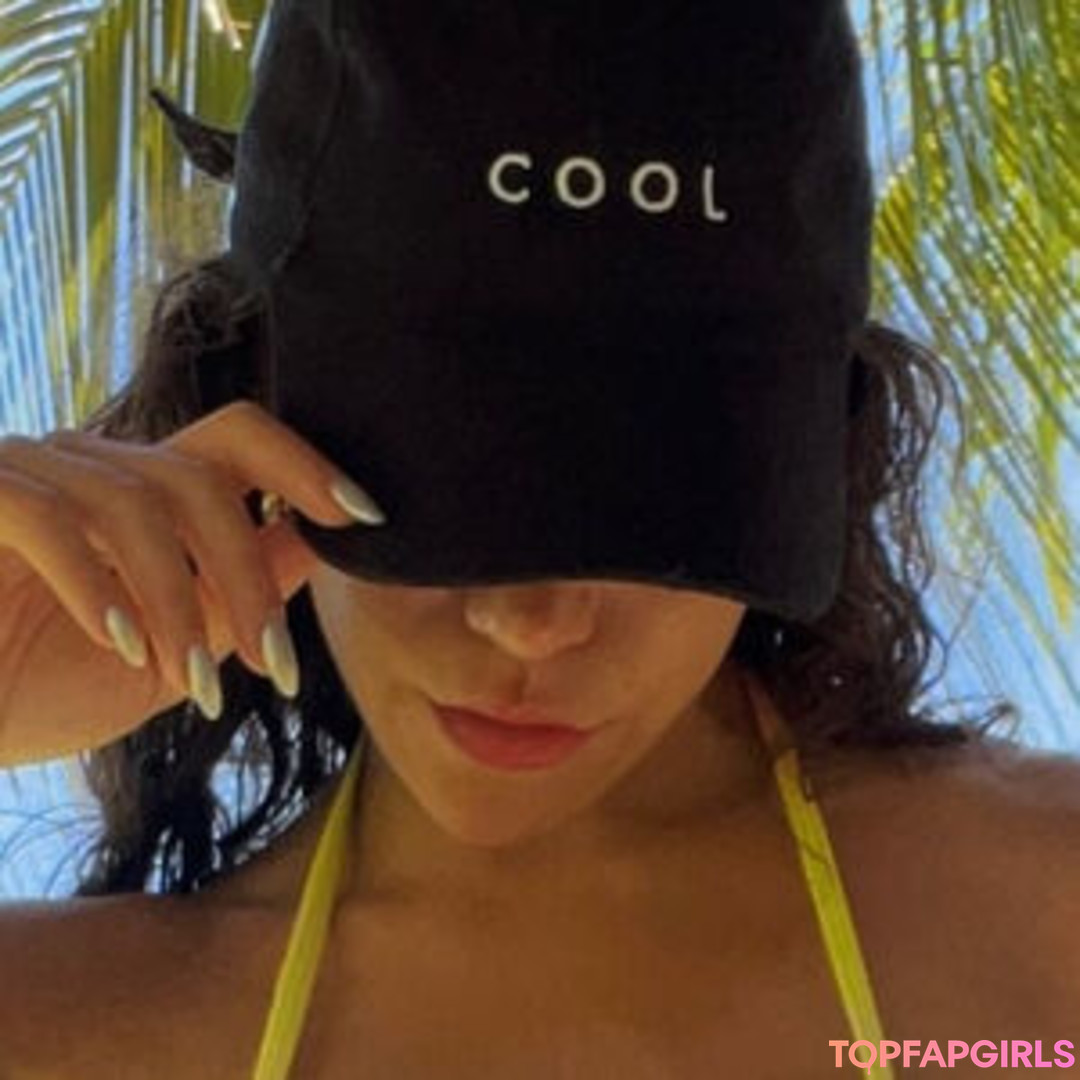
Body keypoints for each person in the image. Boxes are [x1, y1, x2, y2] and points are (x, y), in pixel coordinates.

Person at [1, 1, 1079, 1078]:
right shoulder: (56, 1026)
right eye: (442, 484)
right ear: (250, 405)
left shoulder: (1047, 927)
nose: (533, 624)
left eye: (651, 497)